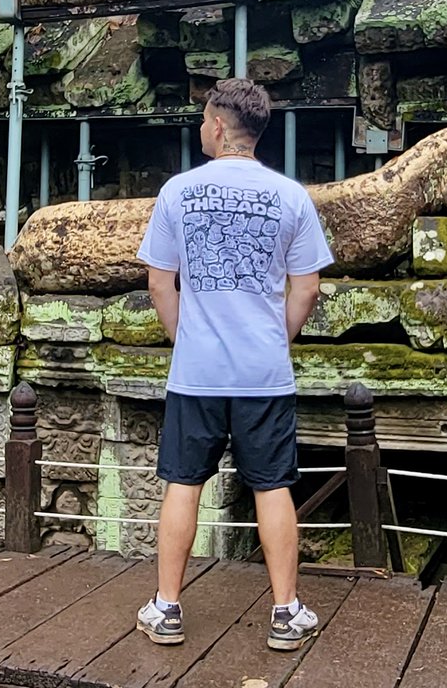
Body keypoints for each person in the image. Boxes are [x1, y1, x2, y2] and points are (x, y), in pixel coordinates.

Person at [134, 78, 333, 651]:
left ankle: (167, 607)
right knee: (272, 487)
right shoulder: (290, 195)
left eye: (202, 119)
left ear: (219, 127)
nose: (200, 127)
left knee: (182, 483)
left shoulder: (178, 192)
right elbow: (308, 287)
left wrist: (184, 338)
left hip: (196, 371)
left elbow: (158, 281)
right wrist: (277, 337)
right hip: (262, 371)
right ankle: (286, 612)